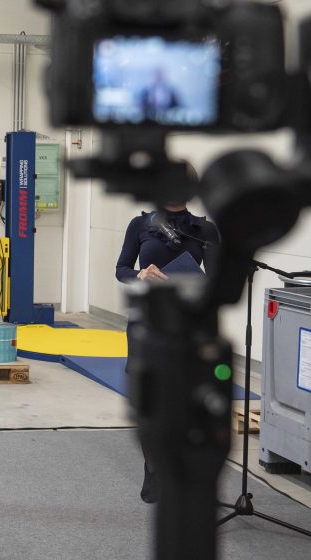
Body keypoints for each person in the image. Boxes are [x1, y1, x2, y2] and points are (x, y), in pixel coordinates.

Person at [115, 200, 220, 503]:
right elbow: (121, 269)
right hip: (147, 321)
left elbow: (216, 281)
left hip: (188, 322)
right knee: (150, 396)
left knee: (187, 396)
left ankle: (182, 469)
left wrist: (183, 281)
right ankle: (153, 468)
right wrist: (140, 275)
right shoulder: (140, 225)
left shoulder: (204, 229)